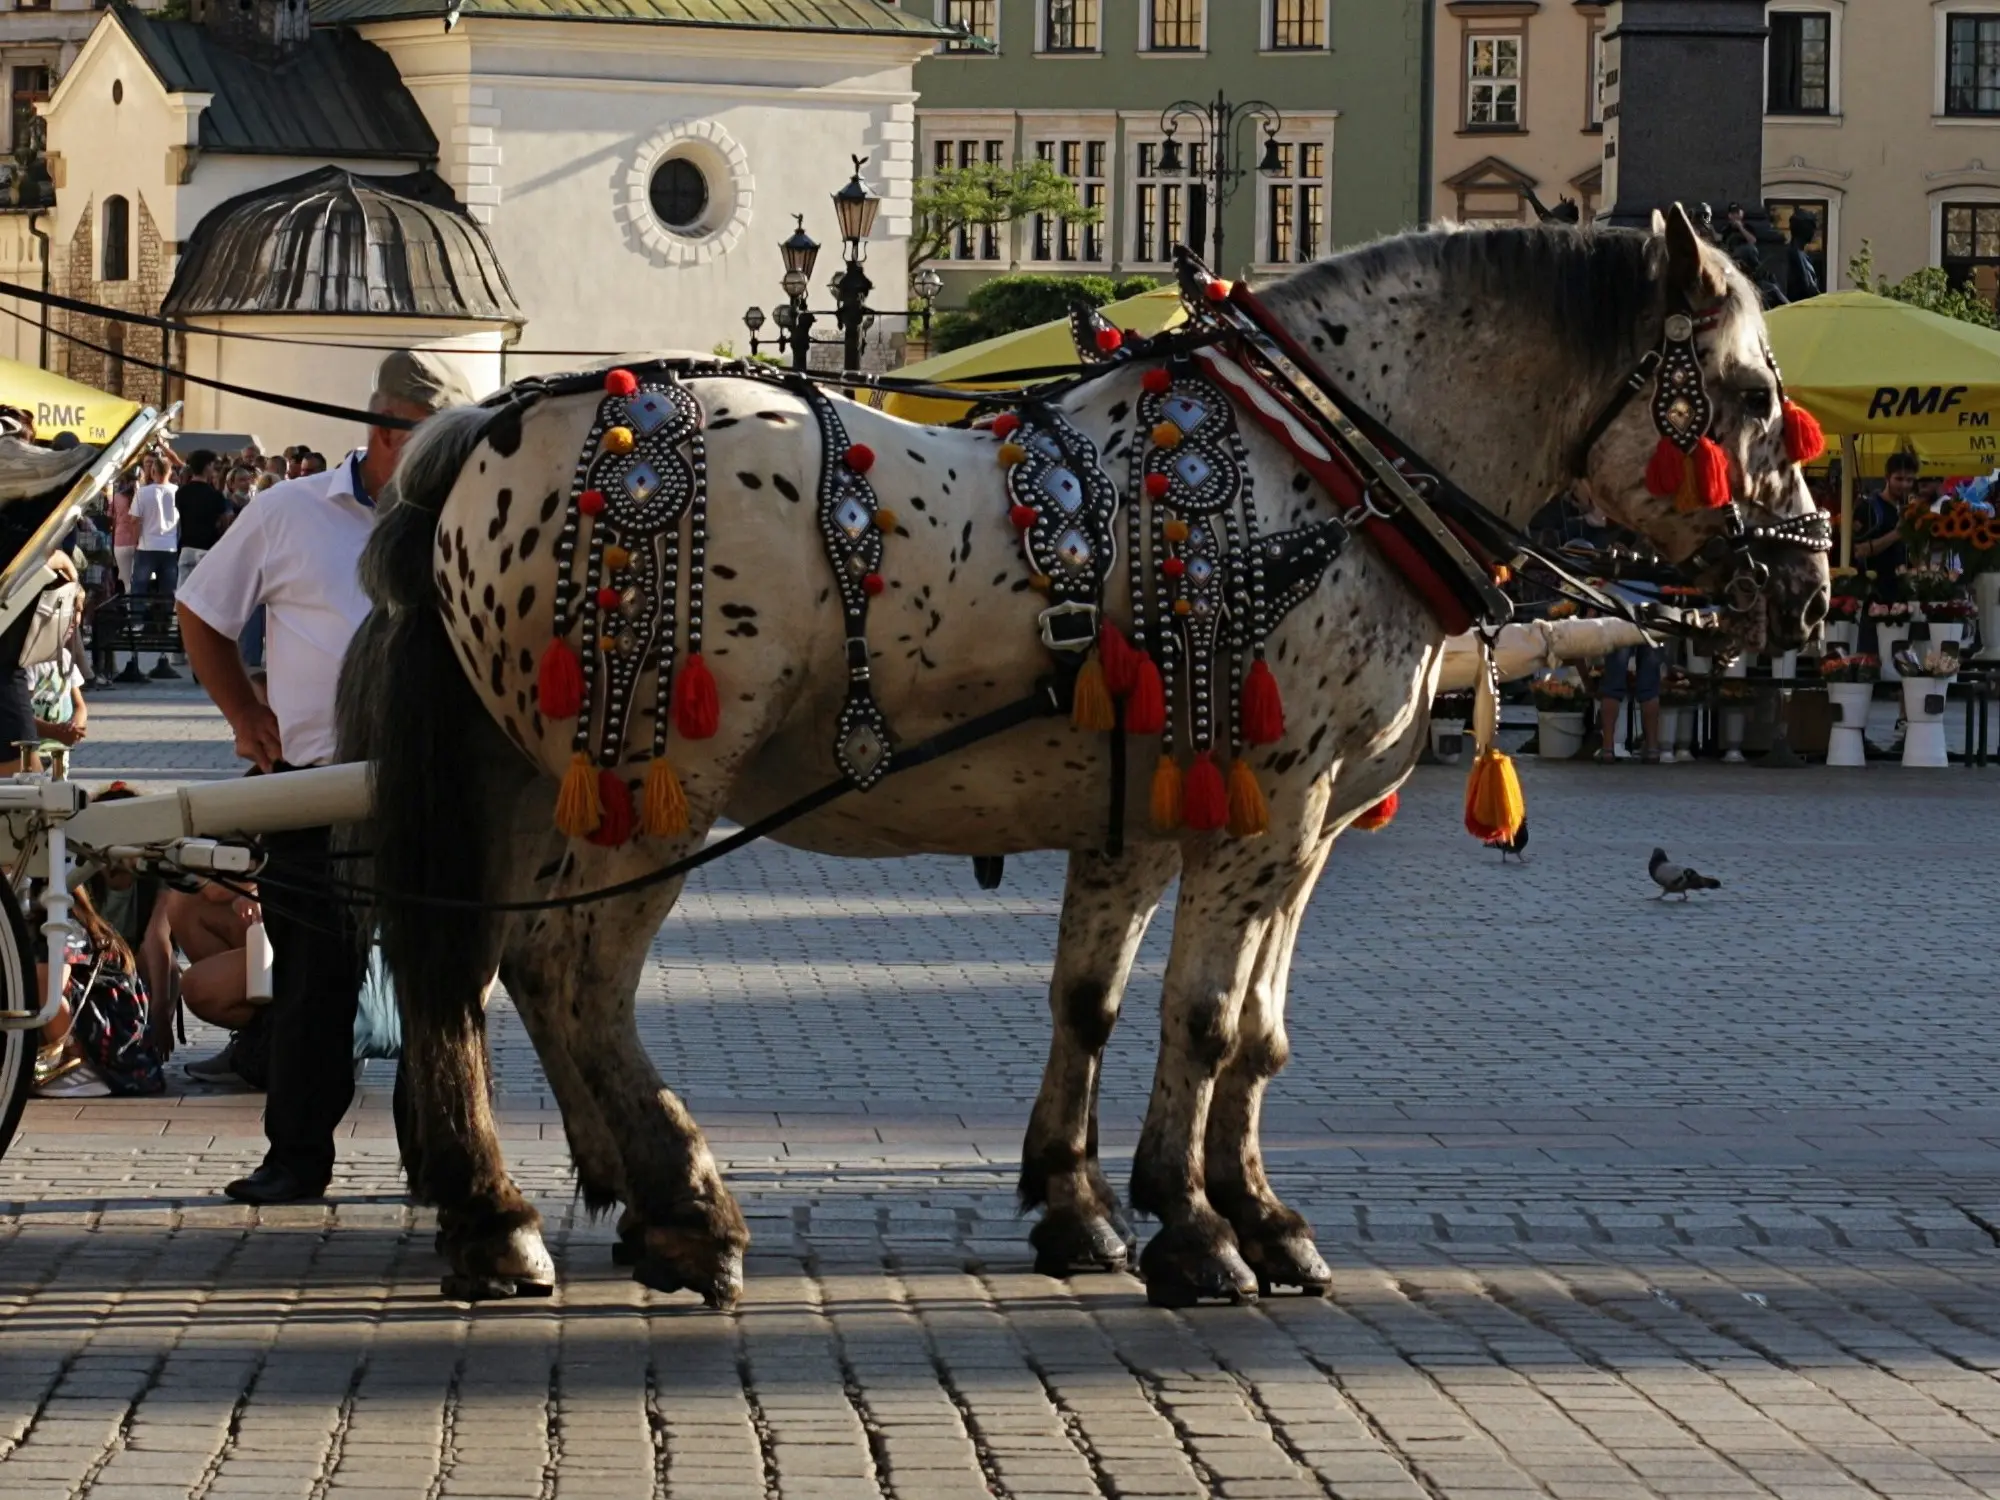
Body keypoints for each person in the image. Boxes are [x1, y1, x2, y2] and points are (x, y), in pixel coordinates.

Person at [176, 349, 472, 1204]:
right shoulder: (289, 511)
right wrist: (244, 715)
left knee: (440, 984)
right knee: (311, 979)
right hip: (312, 785)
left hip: (435, 785)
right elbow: (203, 609)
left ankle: (442, 1159)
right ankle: (296, 1157)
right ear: (383, 434)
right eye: (437, 444)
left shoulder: (467, 515)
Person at [174, 449, 231, 590]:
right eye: (212, 466)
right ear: (207, 467)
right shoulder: (215, 496)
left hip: (186, 547)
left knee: (183, 594)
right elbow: (225, 522)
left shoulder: (181, 493)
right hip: (207, 548)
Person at [1597, 645, 1664, 762]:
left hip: (1621, 627)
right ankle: (1652, 749)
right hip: (1651, 628)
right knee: (1650, 687)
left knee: (1613, 685)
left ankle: (1607, 748)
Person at [131, 454, 179, 599]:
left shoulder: (142, 493)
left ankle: (137, 621)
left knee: (139, 588)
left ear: (153, 472)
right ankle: (168, 619)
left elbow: (134, 520)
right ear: (170, 472)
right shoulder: (177, 491)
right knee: (169, 589)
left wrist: (136, 540)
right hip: (170, 546)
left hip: (146, 546)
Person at [109, 476, 139, 593]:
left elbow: (112, 519)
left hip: (120, 542)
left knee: (127, 583)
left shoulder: (117, 497)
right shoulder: (140, 497)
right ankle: (138, 606)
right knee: (137, 580)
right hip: (138, 542)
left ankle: (129, 608)